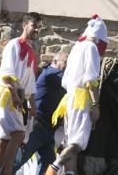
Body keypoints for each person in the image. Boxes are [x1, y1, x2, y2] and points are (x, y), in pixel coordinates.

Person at [45, 16, 107, 175]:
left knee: (70, 143)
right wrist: (95, 105)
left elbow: (66, 80)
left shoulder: (76, 47)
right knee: (78, 143)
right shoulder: (91, 47)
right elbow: (91, 80)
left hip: (70, 98)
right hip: (82, 98)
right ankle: (53, 168)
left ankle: (69, 172)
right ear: (100, 40)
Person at [0, 12, 43, 175]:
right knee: (18, 135)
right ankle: (6, 173)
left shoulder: (31, 52)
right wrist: (14, 95)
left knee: (4, 141)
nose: (37, 29)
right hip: (8, 95)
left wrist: (33, 106)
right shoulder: (14, 45)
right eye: (34, 25)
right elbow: (7, 74)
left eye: (39, 27)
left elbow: (30, 84)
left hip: (18, 98)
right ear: (24, 25)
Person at [17, 48, 68, 175]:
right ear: (55, 61)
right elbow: (70, 81)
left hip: (48, 129)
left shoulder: (60, 78)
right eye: (67, 62)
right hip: (37, 126)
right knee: (17, 161)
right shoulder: (51, 74)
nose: (69, 66)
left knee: (48, 165)